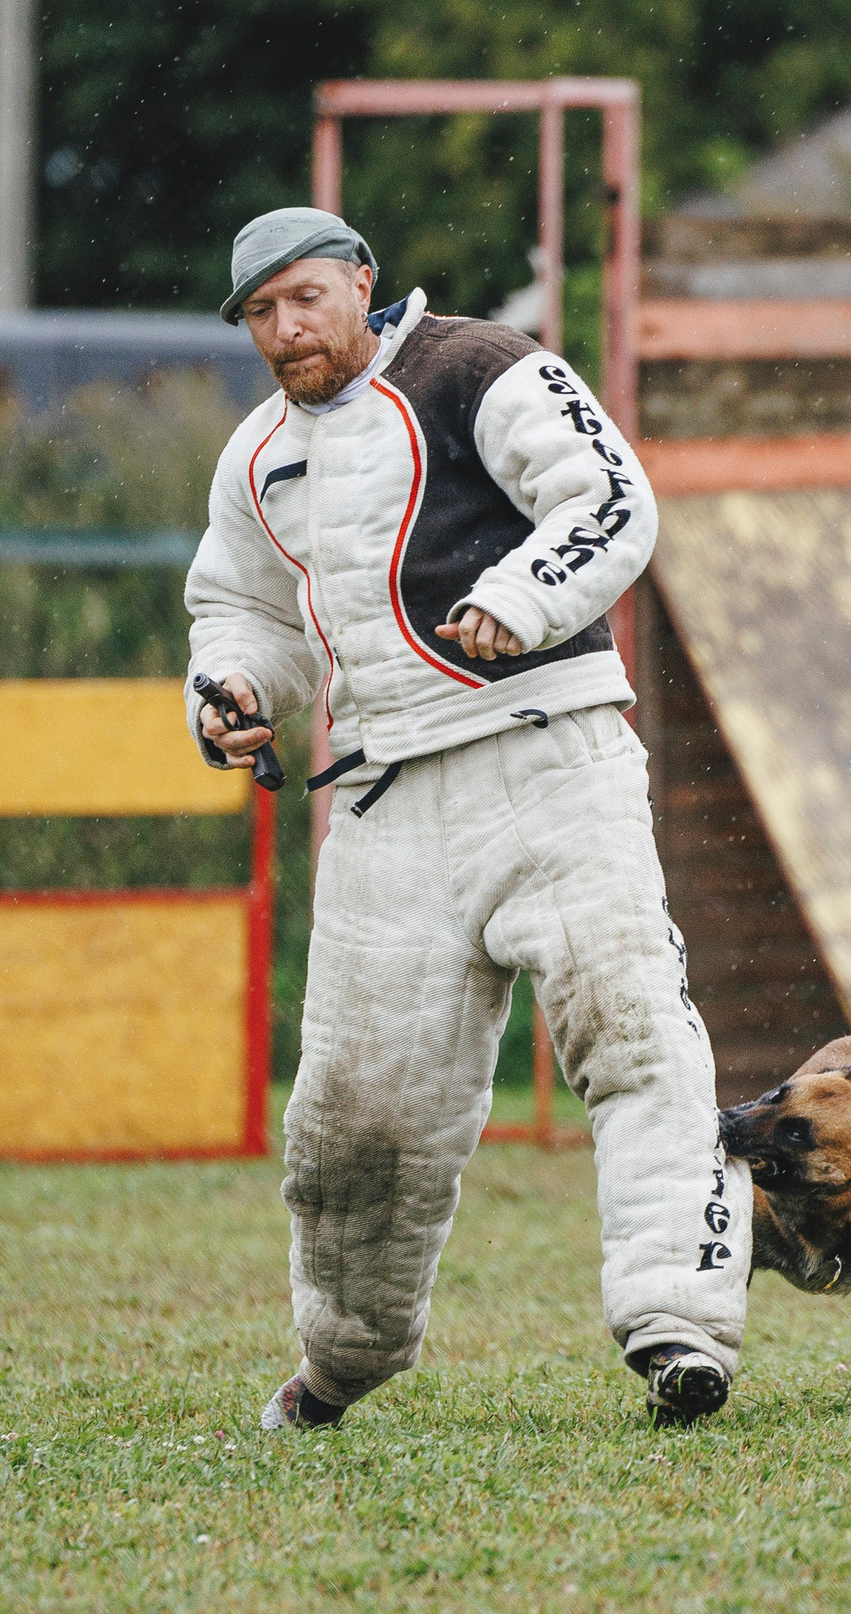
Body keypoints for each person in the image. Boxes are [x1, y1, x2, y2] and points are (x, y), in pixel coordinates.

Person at [185, 208, 747, 1428]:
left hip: (552, 757)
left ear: (362, 284)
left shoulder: (480, 365)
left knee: (632, 1035)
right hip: (384, 801)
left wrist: (521, 600)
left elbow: (609, 498)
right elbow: (243, 612)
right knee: (354, 1119)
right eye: (260, 315)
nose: (284, 330)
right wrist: (229, 690)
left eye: (303, 299)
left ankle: (680, 1329)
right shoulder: (255, 458)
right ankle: (340, 1364)